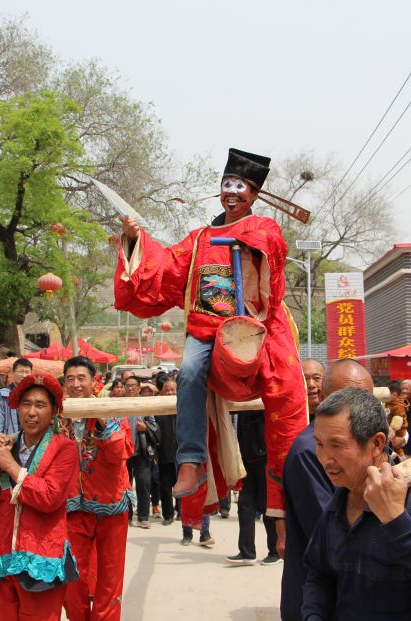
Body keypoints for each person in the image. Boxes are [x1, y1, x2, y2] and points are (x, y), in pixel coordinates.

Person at [114, 148, 307, 519]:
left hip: (252, 330)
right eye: (226, 185)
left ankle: (287, 499)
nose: (231, 192)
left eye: (240, 186)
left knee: (288, 383)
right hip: (205, 332)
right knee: (186, 372)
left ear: (253, 194)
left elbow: (275, 250)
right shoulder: (199, 238)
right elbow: (163, 267)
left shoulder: (263, 227)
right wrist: (135, 240)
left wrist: (249, 243)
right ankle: (191, 459)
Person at [302, 388, 411, 620]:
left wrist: (396, 520)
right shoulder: (340, 500)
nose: (324, 458)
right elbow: (319, 573)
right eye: (319, 444)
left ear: (377, 444)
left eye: (337, 445)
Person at [0, 373, 79, 621]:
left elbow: (50, 497)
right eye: (26, 404)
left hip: (41, 558)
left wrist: (10, 466)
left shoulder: (65, 448)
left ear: (53, 412)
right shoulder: (5, 446)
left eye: (40, 405)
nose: (31, 412)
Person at [279, 358, 373, 621]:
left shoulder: (363, 448)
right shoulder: (310, 453)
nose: (362, 411)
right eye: (349, 400)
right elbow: (331, 536)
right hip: (319, 603)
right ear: (324, 398)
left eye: (367, 400)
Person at [62, 356, 134, 621]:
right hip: (73, 507)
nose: (76, 384)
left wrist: (102, 417)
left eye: (82, 378)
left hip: (111, 504)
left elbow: (118, 454)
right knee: (72, 578)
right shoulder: (61, 415)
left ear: (95, 382)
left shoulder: (114, 411)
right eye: (70, 379)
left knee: (109, 580)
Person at [226, 410, 279, 566]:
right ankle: (247, 552)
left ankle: (275, 551)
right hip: (246, 457)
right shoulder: (241, 397)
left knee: (268, 506)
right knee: (244, 505)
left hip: (265, 457)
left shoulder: (259, 394)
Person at [153, 376, 178, 526]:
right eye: (167, 390)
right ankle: (168, 515)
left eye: (172, 390)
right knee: (166, 486)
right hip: (164, 453)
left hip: (182, 454)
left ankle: (181, 511)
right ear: (162, 392)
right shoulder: (158, 410)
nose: (170, 393)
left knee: (183, 486)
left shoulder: (184, 407)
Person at [0, 358, 33, 436]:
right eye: (21, 371)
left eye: (27, 372)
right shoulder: (2, 396)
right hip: (9, 442)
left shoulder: (34, 396)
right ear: (13, 373)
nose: (24, 375)